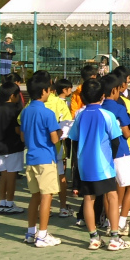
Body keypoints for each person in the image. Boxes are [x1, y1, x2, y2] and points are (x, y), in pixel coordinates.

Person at [69, 79, 128, 251]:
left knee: (89, 199)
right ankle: (115, 238)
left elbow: (74, 140)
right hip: (104, 164)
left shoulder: (79, 115)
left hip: (84, 165)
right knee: (112, 196)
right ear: (102, 96)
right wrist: (111, 158)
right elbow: (116, 140)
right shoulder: (107, 115)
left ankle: (94, 238)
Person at [18, 77, 63, 247]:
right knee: (46, 197)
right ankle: (42, 235)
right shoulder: (47, 113)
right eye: (49, 90)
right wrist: (60, 132)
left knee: (35, 196)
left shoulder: (25, 111)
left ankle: (31, 232)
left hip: (31, 158)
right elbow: (54, 139)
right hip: (46, 158)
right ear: (44, 91)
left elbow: (23, 136)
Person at [101, 75, 130, 234]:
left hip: (104, 152)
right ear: (115, 90)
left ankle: (110, 222)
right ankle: (121, 222)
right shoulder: (119, 108)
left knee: (108, 190)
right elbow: (126, 133)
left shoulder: (100, 108)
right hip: (121, 152)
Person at [0, 82, 25, 214]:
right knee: (11, 176)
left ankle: (2, 202)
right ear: (12, 96)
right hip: (13, 147)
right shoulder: (16, 110)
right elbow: (17, 130)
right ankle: (9, 203)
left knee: (3, 175)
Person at [47, 79, 74, 217]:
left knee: (44, 180)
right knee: (60, 176)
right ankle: (63, 207)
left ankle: (46, 208)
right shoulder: (59, 103)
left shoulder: (31, 105)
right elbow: (67, 126)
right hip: (56, 146)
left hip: (37, 150)